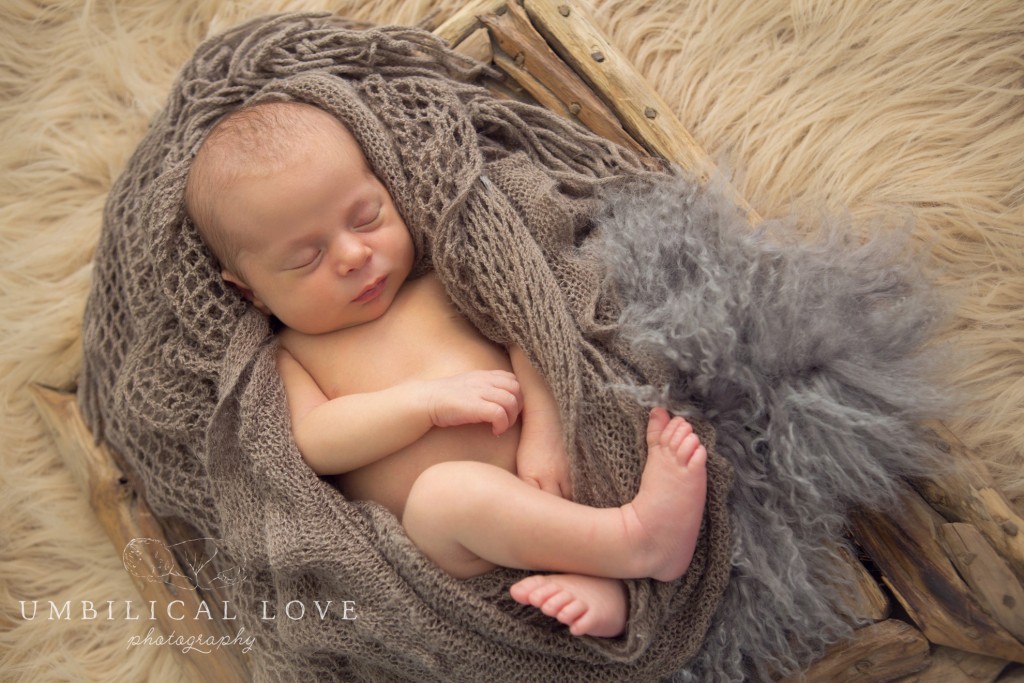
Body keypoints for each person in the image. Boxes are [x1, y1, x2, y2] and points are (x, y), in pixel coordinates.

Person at [185, 100, 708, 638]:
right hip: (456, 543)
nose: (352, 254)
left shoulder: (438, 282)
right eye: (305, 259)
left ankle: (601, 577)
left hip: (549, 464)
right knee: (444, 495)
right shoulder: (292, 354)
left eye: (366, 218)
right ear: (253, 293)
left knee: (538, 473)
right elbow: (316, 440)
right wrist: (425, 404)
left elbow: (525, 334)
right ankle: (636, 539)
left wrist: (547, 430)